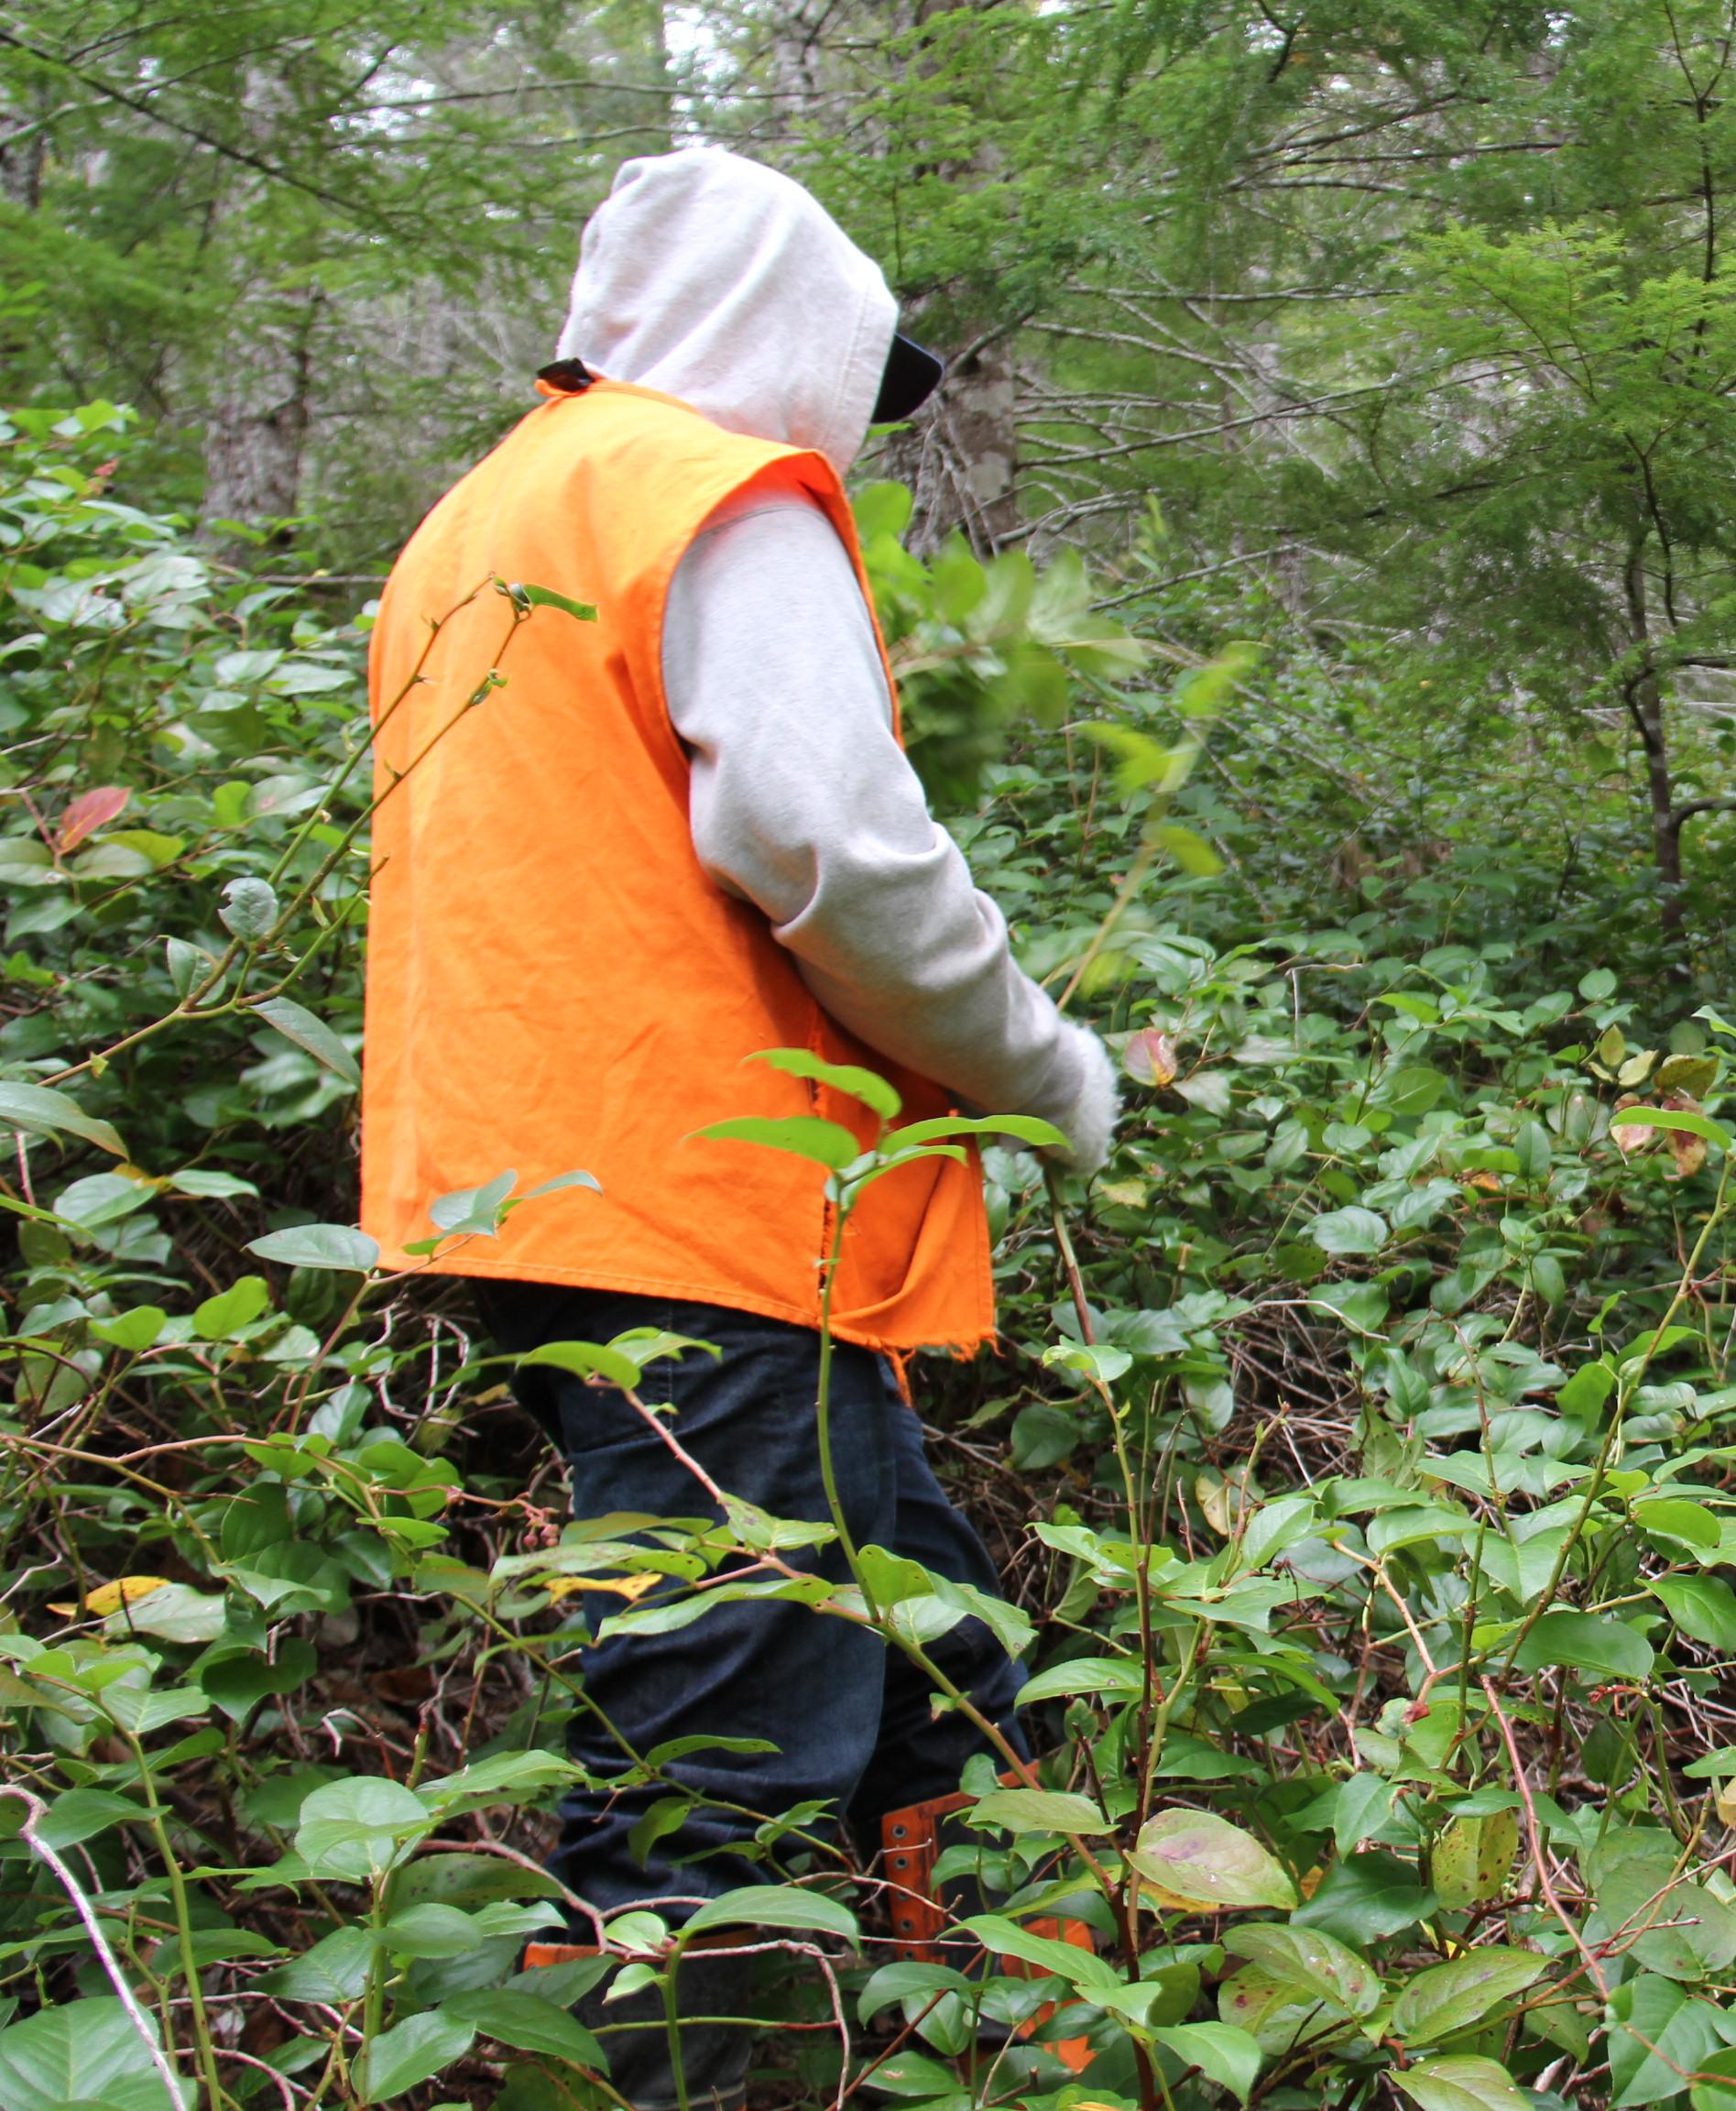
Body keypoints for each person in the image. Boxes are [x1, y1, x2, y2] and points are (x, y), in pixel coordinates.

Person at [360, 148, 1119, 2107]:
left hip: (532, 1176)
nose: (848, 441)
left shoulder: (487, 514)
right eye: (852, 382)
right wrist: (1042, 1067)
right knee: (734, 1721)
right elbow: (837, 851)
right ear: (792, 331)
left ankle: (1011, 2029)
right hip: (706, 1192)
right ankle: (665, 2065)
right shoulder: (707, 495)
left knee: (916, 1622)